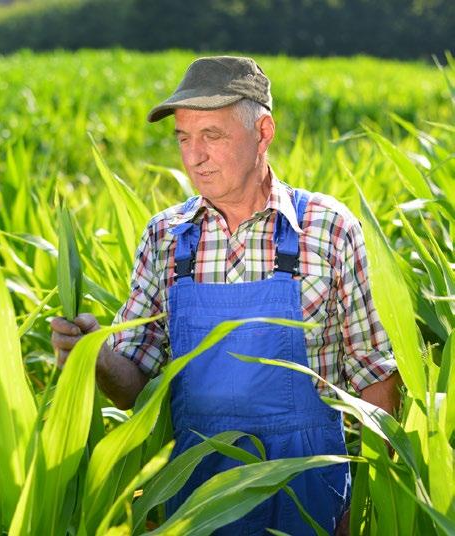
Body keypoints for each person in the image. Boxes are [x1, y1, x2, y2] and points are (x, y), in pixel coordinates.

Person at [51, 56, 401, 535]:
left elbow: (375, 375)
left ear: (263, 132)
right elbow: (134, 385)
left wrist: (370, 506)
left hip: (308, 498)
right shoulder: (166, 237)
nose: (194, 156)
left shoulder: (328, 228)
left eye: (212, 136)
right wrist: (96, 356)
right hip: (197, 502)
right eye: (183, 138)